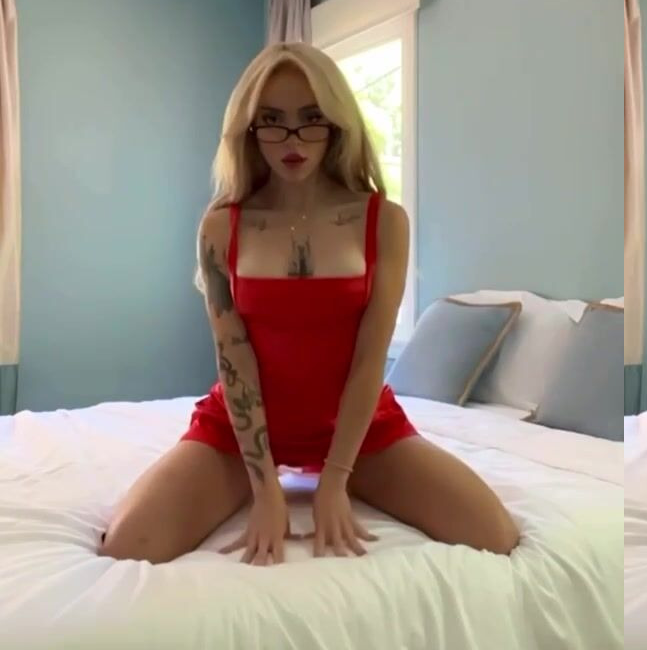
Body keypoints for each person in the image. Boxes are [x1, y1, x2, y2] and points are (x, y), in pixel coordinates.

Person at [99, 43, 518, 565]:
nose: (293, 140)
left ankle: (352, 475)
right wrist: (265, 489)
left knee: (493, 533)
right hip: (244, 430)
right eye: (273, 121)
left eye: (311, 119)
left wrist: (335, 480)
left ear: (337, 123)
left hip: (358, 429)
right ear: (250, 129)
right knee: (129, 544)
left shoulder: (384, 221)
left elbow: (370, 358)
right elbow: (235, 361)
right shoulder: (220, 228)